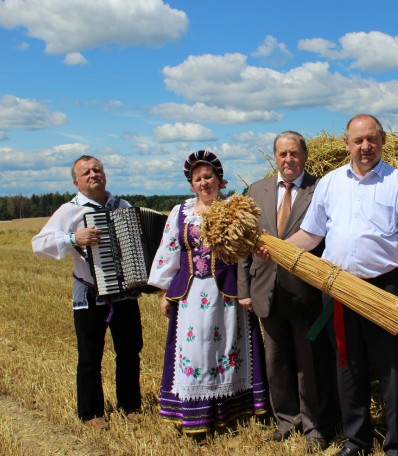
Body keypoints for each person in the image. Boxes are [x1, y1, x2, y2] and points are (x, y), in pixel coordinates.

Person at [260, 114, 398, 456]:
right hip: (337, 289)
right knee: (346, 366)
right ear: (346, 143)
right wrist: (276, 249)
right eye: (358, 140)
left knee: (391, 368)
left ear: (382, 141)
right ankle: (357, 441)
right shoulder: (331, 183)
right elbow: (311, 234)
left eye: (372, 139)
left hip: (385, 290)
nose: (365, 146)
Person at [147, 150, 268, 438]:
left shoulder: (236, 211)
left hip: (226, 296)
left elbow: (246, 256)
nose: (204, 182)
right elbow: (170, 251)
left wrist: (247, 290)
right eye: (198, 179)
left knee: (227, 350)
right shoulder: (181, 213)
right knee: (196, 351)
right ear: (192, 185)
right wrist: (166, 291)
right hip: (190, 296)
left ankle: (232, 411)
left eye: (208, 176)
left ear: (220, 180)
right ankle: (195, 413)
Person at [237, 131, 336, 452]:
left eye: (294, 154)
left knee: (310, 363)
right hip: (265, 288)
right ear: (274, 157)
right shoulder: (256, 190)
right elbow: (243, 243)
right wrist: (244, 289)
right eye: (282, 154)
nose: (288, 160)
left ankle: (315, 425)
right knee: (275, 358)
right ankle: (286, 418)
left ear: (305, 156)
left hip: (306, 293)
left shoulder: (321, 189)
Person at [32, 155, 143, 430]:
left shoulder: (123, 206)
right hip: (91, 293)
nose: (93, 174)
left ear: (104, 174)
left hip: (125, 291)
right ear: (76, 182)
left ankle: (130, 405)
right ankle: (91, 412)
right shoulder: (69, 211)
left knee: (129, 351)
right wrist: (72, 239)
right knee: (90, 355)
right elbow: (38, 244)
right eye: (86, 172)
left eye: (97, 169)